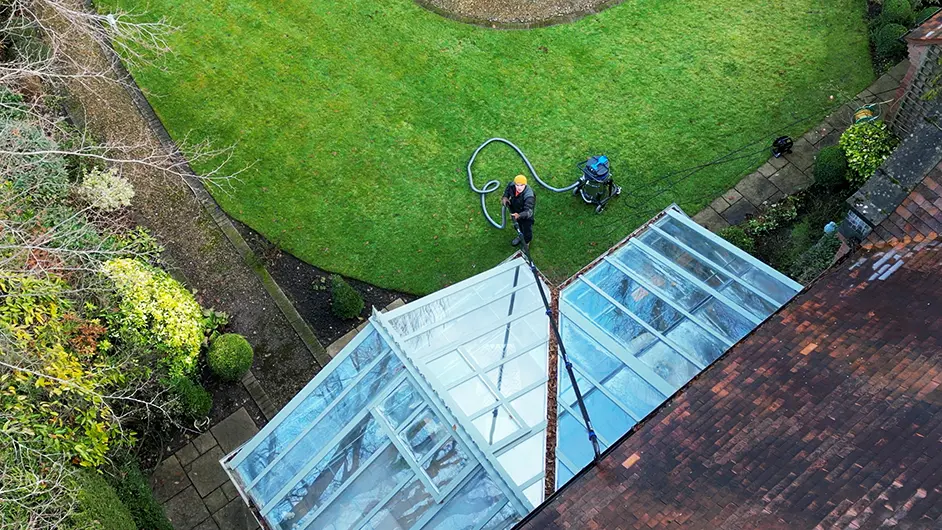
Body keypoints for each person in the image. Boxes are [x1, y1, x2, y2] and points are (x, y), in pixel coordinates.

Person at [501, 174, 535, 247]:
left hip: (525, 216)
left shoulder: (529, 195)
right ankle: (520, 237)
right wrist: (505, 197)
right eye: (517, 185)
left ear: (525, 185)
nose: (519, 188)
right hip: (515, 210)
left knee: (527, 230)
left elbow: (529, 211)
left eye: (521, 185)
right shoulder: (512, 185)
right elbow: (507, 190)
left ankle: (526, 242)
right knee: (518, 226)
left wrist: (519, 215)